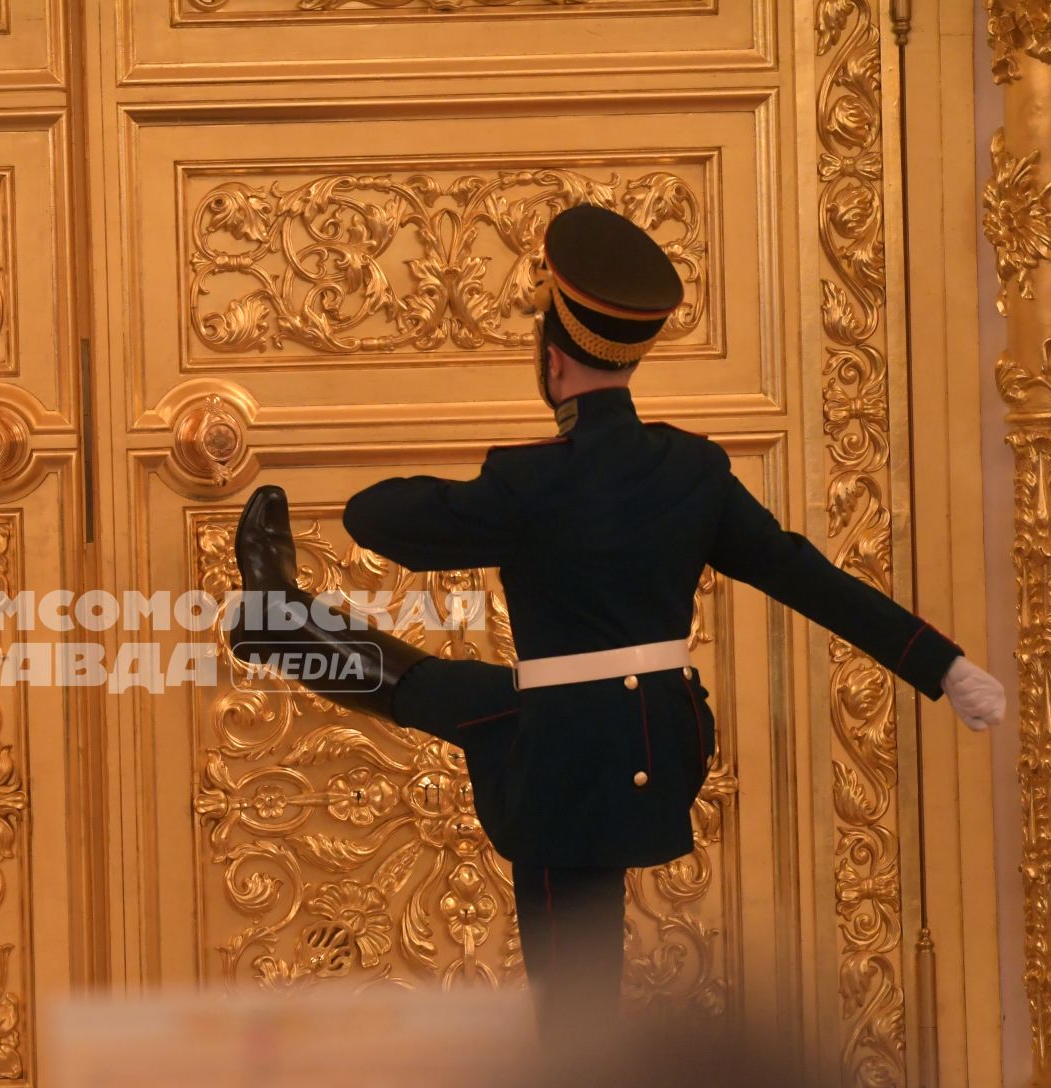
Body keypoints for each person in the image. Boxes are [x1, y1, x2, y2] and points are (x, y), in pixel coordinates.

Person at [230, 203, 1006, 1036]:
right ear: (628, 359)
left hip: (569, 758)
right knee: (453, 695)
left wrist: (477, 499)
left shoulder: (532, 483)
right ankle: (279, 625)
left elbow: (376, 519)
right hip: (654, 741)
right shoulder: (693, 471)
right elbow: (804, 578)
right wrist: (944, 666)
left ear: (553, 361)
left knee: (574, 1009)